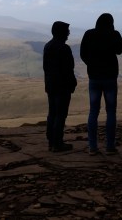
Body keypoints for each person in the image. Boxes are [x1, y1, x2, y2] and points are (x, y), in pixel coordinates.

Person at [80, 13, 122, 156]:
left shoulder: (89, 34)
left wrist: (91, 64)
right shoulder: (114, 34)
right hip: (110, 77)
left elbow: (82, 53)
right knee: (111, 111)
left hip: (94, 77)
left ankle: (93, 147)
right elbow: (119, 50)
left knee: (93, 111)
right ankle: (110, 146)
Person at [43, 20, 77, 152]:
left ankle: (51, 142)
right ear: (61, 32)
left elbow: (46, 68)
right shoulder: (64, 48)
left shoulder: (48, 46)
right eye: (67, 31)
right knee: (61, 114)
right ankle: (58, 143)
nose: (69, 33)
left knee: (52, 113)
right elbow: (69, 69)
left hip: (51, 85)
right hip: (62, 87)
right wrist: (72, 83)